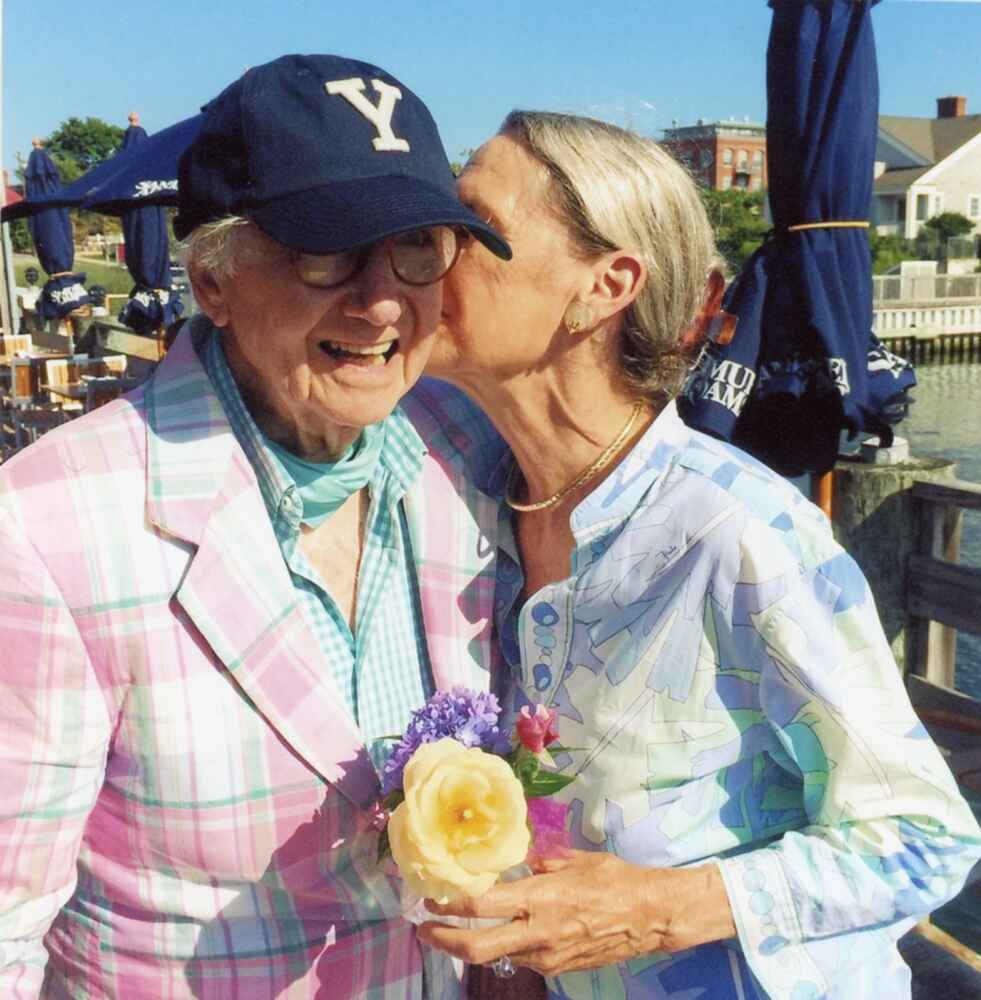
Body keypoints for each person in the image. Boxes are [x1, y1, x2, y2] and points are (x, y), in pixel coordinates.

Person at [416, 111, 981, 999]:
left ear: (604, 286)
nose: (427, 248)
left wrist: (661, 908)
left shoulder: (734, 532)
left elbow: (923, 837)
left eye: (472, 224)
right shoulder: (469, 500)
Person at [0, 53, 511, 998]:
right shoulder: (46, 527)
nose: (382, 300)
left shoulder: (462, 448)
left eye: (417, 246)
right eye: (326, 250)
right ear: (212, 281)